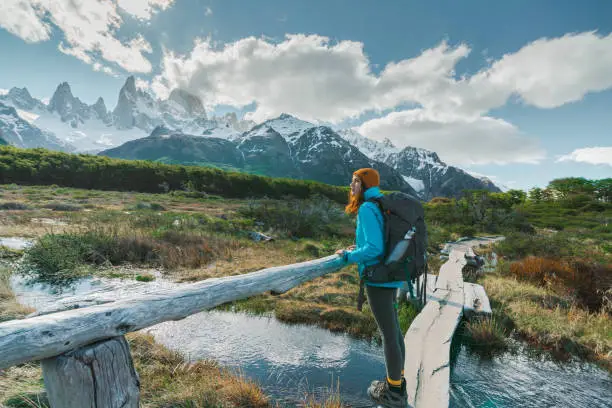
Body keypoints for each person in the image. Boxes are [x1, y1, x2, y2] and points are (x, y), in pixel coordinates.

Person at [335, 168, 407, 408]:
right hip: (392, 273)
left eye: (355, 181)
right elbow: (378, 241)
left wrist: (348, 257)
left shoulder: (367, 207)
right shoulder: (381, 203)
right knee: (395, 331)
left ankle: (394, 393)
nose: (351, 186)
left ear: (364, 184)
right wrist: (357, 248)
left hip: (378, 278)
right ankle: (398, 383)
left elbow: (374, 248)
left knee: (388, 335)